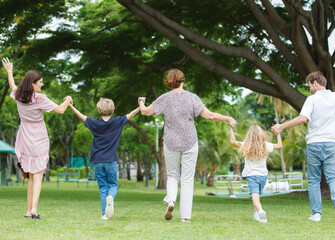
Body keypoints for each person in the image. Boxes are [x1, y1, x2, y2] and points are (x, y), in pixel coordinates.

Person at [138, 69, 237, 222]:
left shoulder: (164, 99)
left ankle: (171, 200)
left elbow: (145, 112)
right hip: (190, 141)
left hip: (170, 142)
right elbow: (210, 115)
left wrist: (141, 102)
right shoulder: (192, 98)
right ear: (183, 81)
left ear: (169, 82)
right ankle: (185, 217)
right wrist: (228, 118)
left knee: (172, 175)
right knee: (187, 179)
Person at [272, 71, 335, 223]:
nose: (310, 89)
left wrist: (282, 126)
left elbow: (303, 118)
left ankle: (316, 214)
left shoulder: (312, 100)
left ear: (315, 83)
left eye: (310, 86)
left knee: (313, 180)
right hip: (331, 144)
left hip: (314, 144)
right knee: (333, 177)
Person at [2, 58, 73, 219]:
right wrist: (68, 99)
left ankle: (28, 211)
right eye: (40, 82)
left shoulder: (19, 96)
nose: (42, 84)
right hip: (39, 138)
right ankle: (33, 209)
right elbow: (60, 110)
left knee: (31, 176)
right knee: (38, 174)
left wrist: (9, 71)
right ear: (33, 84)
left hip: (25, 138)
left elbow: (12, 86)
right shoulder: (40, 99)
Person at [69, 98, 140, 220]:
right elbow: (132, 114)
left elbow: (81, 116)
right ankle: (111, 197)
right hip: (110, 160)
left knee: (103, 188)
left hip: (97, 161)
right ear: (113, 110)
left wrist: (70, 106)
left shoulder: (94, 123)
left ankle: (105, 215)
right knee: (113, 185)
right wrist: (141, 105)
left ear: (99, 110)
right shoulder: (117, 122)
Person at [229, 125, 282, 223]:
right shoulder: (265, 145)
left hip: (251, 175)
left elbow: (233, 141)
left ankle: (261, 212)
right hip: (263, 175)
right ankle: (256, 215)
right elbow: (279, 145)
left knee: (255, 197)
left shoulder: (246, 144)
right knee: (256, 196)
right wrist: (278, 134)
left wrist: (231, 128)